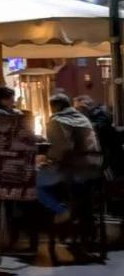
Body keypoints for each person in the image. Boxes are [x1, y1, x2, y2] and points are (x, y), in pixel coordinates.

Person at [37, 93, 102, 224]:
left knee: (33, 182)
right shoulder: (83, 118)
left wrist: (48, 160)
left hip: (72, 170)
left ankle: (62, 211)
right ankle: (78, 212)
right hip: (94, 168)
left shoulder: (57, 121)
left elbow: (61, 150)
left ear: (55, 107)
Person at [76, 95, 123, 179]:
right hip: (104, 150)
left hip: (108, 151)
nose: (77, 112)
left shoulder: (99, 114)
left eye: (78, 109)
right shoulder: (91, 115)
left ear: (85, 107)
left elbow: (101, 128)